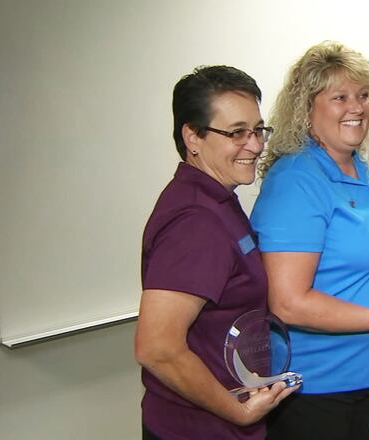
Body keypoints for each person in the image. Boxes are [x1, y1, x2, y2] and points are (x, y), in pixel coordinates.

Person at [249, 41, 369, 440]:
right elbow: (288, 302)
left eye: (363, 95)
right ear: (307, 106)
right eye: (340, 97)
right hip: (316, 386)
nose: (357, 107)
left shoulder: (357, 167)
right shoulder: (298, 179)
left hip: (364, 376)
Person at [134, 66, 298, 440]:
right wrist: (238, 413)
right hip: (200, 429)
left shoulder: (218, 200)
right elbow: (156, 348)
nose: (255, 145)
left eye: (258, 130)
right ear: (193, 136)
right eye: (237, 132)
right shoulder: (197, 221)